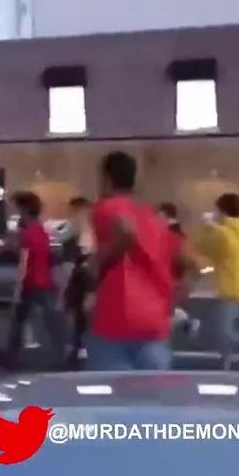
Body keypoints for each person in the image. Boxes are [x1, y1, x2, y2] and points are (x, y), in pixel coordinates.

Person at [86, 151, 176, 371]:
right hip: (154, 320)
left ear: (106, 179)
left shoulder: (105, 208)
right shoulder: (151, 215)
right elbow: (183, 261)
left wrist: (97, 261)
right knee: (155, 389)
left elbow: (126, 232)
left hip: (116, 317)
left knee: (112, 389)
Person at [1, 191, 64, 369]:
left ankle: (12, 358)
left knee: (18, 321)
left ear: (25, 210)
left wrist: (17, 290)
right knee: (52, 322)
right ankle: (60, 356)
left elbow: (24, 263)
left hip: (31, 284)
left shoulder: (28, 234)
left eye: (18, 210)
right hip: (46, 283)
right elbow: (47, 258)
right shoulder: (41, 231)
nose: (17, 215)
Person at [196, 193, 239, 370]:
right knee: (227, 326)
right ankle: (228, 361)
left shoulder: (222, 232)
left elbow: (203, 247)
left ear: (222, 211)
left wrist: (208, 225)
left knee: (224, 330)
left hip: (228, 287)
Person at [157, 203, 202, 339]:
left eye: (159, 215)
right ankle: (186, 323)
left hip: (170, 275)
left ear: (166, 215)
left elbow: (175, 255)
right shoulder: (174, 232)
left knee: (162, 306)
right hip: (170, 274)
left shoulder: (171, 233)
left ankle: (184, 323)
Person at [60, 197, 95, 367]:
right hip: (78, 284)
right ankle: (77, 351)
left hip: (87, 284)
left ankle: (80, 352)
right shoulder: (73, 237)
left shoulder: (93, 237)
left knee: (82, 320)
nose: (75, 217)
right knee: (76, 319)